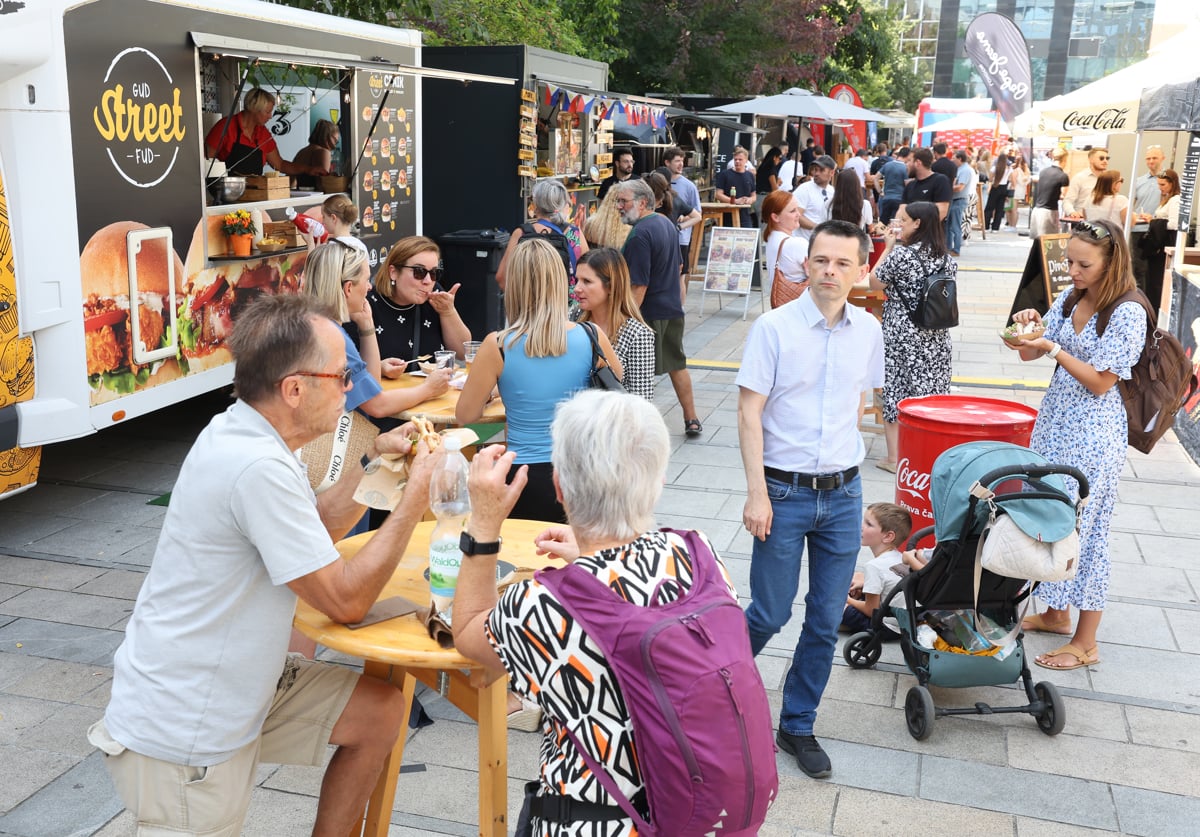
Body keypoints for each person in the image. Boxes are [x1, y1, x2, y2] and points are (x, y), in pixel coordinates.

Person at [86, 293, 436, 835]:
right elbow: (345, 601)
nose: (352, 386)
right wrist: (413, 501)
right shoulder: (254, 464)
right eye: (342, 375)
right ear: (295, 390)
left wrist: (378, 461)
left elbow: (316, 528)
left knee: (378, 712)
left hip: (242, 685)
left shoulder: (250, 431)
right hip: (189, 727)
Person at [451, 390, 738, 836]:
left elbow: (468, 632)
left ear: (560, 488)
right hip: (698, 810)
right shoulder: (700, 555)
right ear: (659, 480)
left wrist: (484, 523)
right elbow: (632, 597)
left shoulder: (538, 604)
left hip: (591, 822)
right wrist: (589, 556)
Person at [738, 219, 884, 778]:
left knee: (825, 619)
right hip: (782, 490)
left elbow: (855, 404)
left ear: (860, 270)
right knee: (769, 613)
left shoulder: (869, 330)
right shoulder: (774, 328)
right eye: (822, 260)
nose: (830, 272)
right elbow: (749, 411)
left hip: (843, 494)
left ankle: (797, 724)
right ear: (807, 262)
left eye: (843, 263)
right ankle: (704, 682)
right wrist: (757, 494)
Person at [1006, 218, 1147, 671]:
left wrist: (1052, 349)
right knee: (1051, 516)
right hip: (1057, 424)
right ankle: (1054, 613)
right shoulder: (1072, 297)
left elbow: (1102, 382)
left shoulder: (1128, 310)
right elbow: (1029, 350)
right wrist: (1026, 327)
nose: (1072, 270)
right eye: (1069, 260)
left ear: (1112, 264)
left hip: (1094, 434)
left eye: (1083, 264)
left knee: (1087, 531)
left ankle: (1087, 642)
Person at [457, 237, 621, 523]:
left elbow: (465, 416)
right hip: (582, 472)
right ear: (560, 282)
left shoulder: (497, 345)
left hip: (523, 474)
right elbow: (615, 387)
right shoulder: (591, 336)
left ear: (514, 285)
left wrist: (496, 392)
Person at [305, 241, 451, 422]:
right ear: (348, 288)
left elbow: (373, 386)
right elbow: (376, 405)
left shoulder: (311, 325)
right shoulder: (332, 336)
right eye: (366, 280)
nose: (369, 287)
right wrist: (429, 389)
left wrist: (367, 326)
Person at [869, 201, 956, 473]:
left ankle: (895, 458)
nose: (899, 225)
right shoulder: (947, 259)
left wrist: (889, 247)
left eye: (904, 220)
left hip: (902, 333)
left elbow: (874, 282)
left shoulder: (901, 256)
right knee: (931, 392)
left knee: (896, 389)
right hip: (936, 335)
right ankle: (930, 453)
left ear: (918, 223)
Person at [616, 178, 703, 438]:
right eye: (618, 201)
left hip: (648, 314)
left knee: (635, 373)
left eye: (624, 201)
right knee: (677, 364)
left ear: (642, 203)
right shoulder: (666, 223)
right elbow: (677, 267)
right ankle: (692, 418)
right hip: (672, 307)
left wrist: (624, 320)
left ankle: (638, 429)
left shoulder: (639, 234)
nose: (619, 206)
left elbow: (638, 287)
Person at [367, 235, 471, 379]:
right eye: (419, 272)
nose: (428, 281)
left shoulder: (435, 296)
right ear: (393, 272)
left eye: (434, 273)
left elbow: (462, 351)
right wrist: (379, 368)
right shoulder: (368, 303)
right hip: (391, 397)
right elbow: (347, 366)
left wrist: (448, 312)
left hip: (433, 395)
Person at [572, 247, 656, 400]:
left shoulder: (637, 334)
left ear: (610, 286)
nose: (577, 288)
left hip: (611, 420)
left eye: (587, 281)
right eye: (577, 280)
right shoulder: (574, 318)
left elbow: (642, 402)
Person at [204, 88, 322, 178]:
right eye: (267, 112)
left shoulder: (263, 133)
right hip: (229, 195)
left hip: (256, 195)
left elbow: (279, 165)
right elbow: (207, 162)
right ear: (254, 109)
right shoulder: (226, 127)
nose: (270, 116)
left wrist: (308, 169)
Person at [497, 179, 589, 293]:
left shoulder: (521, 234)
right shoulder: (575, 234)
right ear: (563, 204)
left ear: (536, 205)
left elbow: (502, 279)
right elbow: (589, 277)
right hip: (566, 308)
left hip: (530, 308)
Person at [840, 503, 917, 636]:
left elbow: (872, 610)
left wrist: (845, 599)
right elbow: (892, 584)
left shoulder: (874, 566)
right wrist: (864, 585)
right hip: (908, 622)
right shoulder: (899, 557)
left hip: (888, 627)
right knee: (858, 579)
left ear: (888, 536)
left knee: (834, 606)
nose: (861, 526)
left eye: (869, 524)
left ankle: (849, 622)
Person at [1137, 169, 1181, 309]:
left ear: (1172, 183)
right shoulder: (1167, 199)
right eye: (1158, 184)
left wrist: (1153, 221)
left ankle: (1156, 309)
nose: (1160, 188)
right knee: (1153, 279)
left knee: (1157, 280)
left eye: (1163, 185)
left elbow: (1174, 224)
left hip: (1164, 245)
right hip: (1159, 244)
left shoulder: (1175, 200)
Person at [761, 189, 809, 305]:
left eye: (797, 209)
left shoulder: (771, 237)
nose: (799, 214)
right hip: (801, 306)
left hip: (782, 305)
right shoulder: (796, 244)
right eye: (792, 211)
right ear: (776, 217)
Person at [663, 147, 703, 269]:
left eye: (682, 161)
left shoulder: (689, 186)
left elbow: (698, 212)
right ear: (667, 162)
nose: (681, 164)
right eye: (677, 161)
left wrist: (683, 218)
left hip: (681, 238)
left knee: (681, 274)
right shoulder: (658, 183)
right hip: (662, 238)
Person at [792, 154, 837, 241]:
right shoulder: (805, 189)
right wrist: (817, 227)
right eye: (815, 170)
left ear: (832, 172)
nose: (816, 173)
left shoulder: (833, 191)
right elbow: (796, 215)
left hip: (823, 243)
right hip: (804, 243)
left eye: (821, 170)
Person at [901, 148, 952, 222]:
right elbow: (901, 210)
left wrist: (916, 228)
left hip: (929, 232)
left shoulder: (940, 181)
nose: (906, 164)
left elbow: (941, 212)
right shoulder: (910, 185)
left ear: (918, 163)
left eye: (909, 161)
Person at [1030, 147, 1070, 238]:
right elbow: (1063, 195)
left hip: (1037, 210)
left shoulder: (1043, 172)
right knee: (1049, 243)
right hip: (1050, 212)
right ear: (1064, 159)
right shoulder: (1063, 176)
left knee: (1037, 242)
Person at [715, 146, 757, 227]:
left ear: (746, 161)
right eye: (735, 159)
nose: (737, 161)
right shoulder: (725, 174)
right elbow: (718, 194)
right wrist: (735, 201)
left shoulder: (750, 175)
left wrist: (750, 199)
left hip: (746, 217)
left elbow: (754, 195)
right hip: (727, 217)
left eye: (740, 159)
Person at [1063, 147, 1110, 218]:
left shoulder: (1108, 179)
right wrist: (1072, 212)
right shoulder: (1079, 178)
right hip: (1082, 221)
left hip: (1103, 221)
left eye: (1107, 158)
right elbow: (1067, 201)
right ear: (1091, 160)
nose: (1105, 161)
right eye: (1101, 158)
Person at [292, 119, 339, 188]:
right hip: (317, 197)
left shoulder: (301, 152)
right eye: (335, 140)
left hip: (301, 195)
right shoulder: (323, 152)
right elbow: (323, 184)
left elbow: (291, 181)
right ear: (327, 136)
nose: (335, 145)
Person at [948, 150, 974, 256]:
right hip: (954, 200)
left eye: (954, 158)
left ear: (960, 159)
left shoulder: (965, 170)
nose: (952, 160)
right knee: (949, 226)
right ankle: (948, 247)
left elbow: (960, 187)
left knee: (955, 226)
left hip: (959, 200)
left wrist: (947, 188)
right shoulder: (960, 169)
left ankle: (956, 249)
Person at [878, 146, 910, 225]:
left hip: (886, 198)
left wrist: (880, 191)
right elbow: (907, 185)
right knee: (895, 224)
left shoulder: (887, 165)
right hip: (899, 199)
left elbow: (875, 178)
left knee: (883, 224)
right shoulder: (905, 168)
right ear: (907, 156)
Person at [1133, 145, 1167, 216]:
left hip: (1159, 226)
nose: (1151, 161)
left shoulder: (1172, 180)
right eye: (1148, 159)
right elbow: (1131, 205)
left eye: (1155, 158)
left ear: (1163, 158)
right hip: (1138, 226)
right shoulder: (1138, 181)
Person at [983, 151, 1011, 232]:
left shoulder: (994, 168)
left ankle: (986, 226)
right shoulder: (1009, 169)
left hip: (995, 187)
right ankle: (995, 228)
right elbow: (1011, 179)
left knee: (989, 207)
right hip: (1004, 188)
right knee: (999, 209)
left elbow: (990, 179)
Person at [1006, 155, 1031, 229]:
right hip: (1020, 191)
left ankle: (1012, 226)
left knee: (1011, 209)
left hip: (1013, 191)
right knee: (1014, 209)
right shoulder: (1026, 171)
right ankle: (1012, 226)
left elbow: (1013, 182)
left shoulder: (1016, 170)